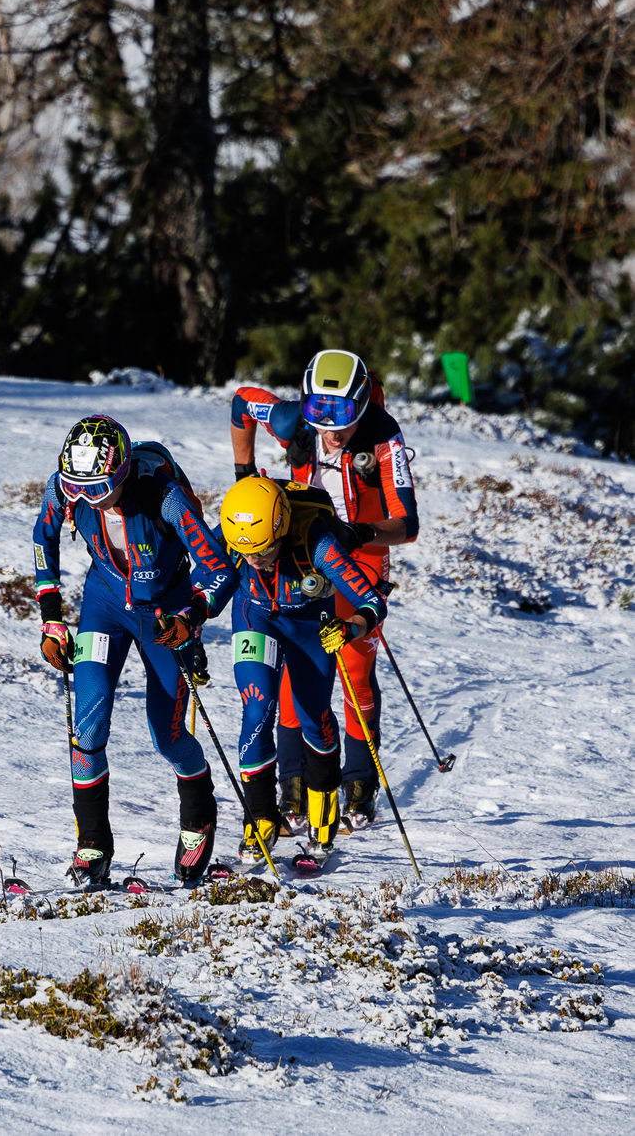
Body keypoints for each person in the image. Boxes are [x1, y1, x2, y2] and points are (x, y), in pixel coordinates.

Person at [31, 415, 236, 888]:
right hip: (104, 605)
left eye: (98, 488)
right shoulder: (66, 486)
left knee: (167, 735)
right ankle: (93, 843)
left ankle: (198, 818)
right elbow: (43, 540)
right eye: (76, 488)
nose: (85, 499)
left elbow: (220, 570)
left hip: (164, 614)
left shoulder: (166, 498)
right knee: (88, 722)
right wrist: (51, 615)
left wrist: (193, 615)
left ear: (122, 473)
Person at [230, 348, 418, 830]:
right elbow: (242, 403)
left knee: (354, 665)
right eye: (321, 418)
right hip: (295, 551)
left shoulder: (383, 435)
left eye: (344, 420)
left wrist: (361, 532)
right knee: (299, 666)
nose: (331, 432)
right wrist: (244, 472)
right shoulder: (295, 421)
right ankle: (295, 781)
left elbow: (407, 523)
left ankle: (359, 781)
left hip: (361, 547)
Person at [205, 476, 387, 876]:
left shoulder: (316, 539)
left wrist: (352, 626)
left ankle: (323, 821)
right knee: (257, 709)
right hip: (255, 616)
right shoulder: (232, 534)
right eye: (245, 553)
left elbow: (371, 600)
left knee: (314, 716)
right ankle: (261, 818)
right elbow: (202, 579)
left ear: (281, 529)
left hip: (309, 623)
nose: (255, 560)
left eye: (265, 550)